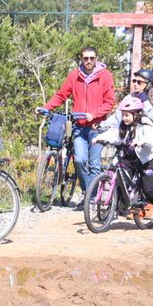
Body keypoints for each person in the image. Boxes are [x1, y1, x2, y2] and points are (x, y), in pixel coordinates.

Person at [43, 46, 115, 195]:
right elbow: (61, 95)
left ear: (96, 59)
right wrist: (46, 108)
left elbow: (109, 102)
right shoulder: (74, 76)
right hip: (79, 127)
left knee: (94, 164)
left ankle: (91, 199)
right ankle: (88, 193)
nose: (88, 61)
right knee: (80, 160)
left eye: (92, 58)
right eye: (85, 58)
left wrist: (94, 114)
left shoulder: (105, 76)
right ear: (81, 59)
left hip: (97, 127)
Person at [96, 96, 153, 227]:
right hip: (130, 157)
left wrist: (142, 142)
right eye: (123, 115)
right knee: (119, 180)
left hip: (147, 159)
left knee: (148, 189)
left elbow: (151, 138)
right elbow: (114, 134)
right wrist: (99, 138)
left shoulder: (145, 123)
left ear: (136, 114)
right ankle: (114, 209)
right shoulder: (123, 126)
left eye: (127, 115)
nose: (124, 118)